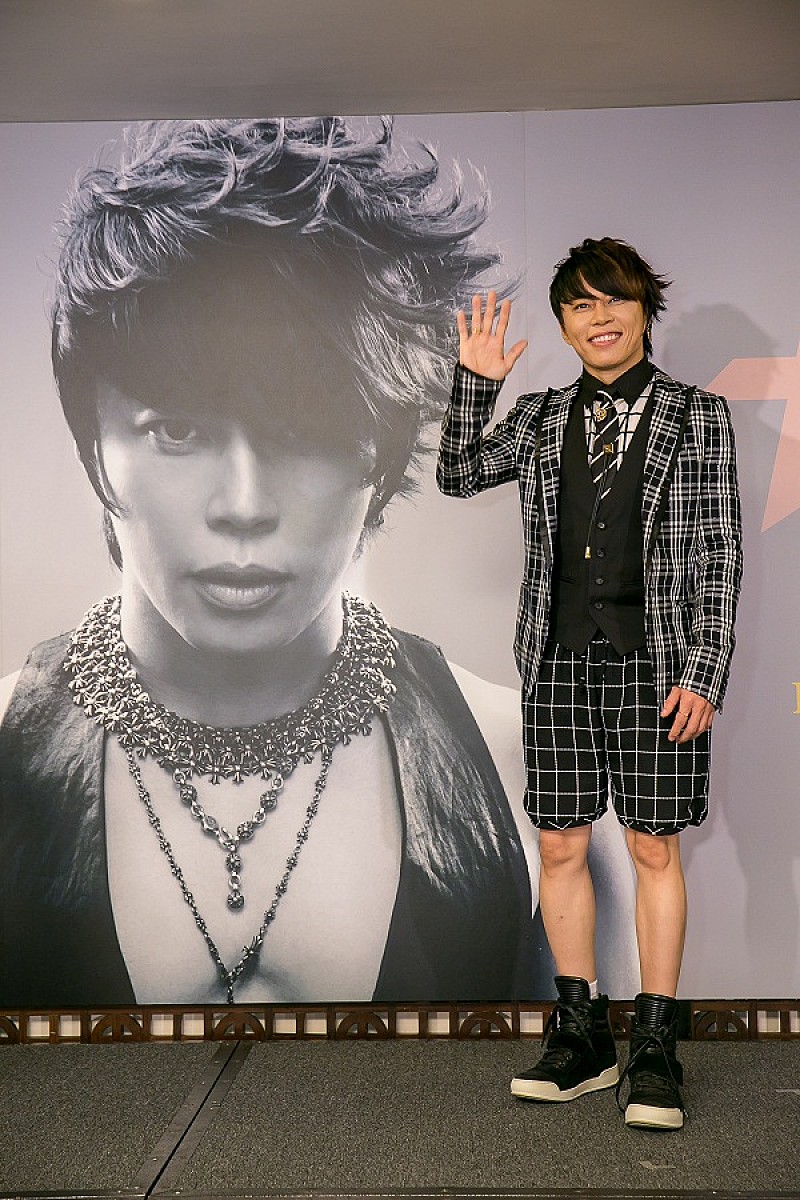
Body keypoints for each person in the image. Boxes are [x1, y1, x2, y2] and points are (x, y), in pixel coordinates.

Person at [0, 120, 639, 1011]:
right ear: (92, 446)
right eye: (176, 430)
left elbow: (605, 1085)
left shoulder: (521, 756)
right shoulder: (7, 747)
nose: (243, 505)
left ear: (384, 454)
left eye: (304, 434)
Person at [437, 237, 743, 1129]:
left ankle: (654, 1048)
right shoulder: (539, 417)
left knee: (653, 849)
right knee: (561, 847)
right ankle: (582, 1038)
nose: (599, 317)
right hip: (558, 663)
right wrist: (476, 384)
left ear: (644, 313)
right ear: (566, 326)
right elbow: (458, 473)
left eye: (615, 300)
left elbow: (721, 552)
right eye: (580, 304)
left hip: (660, 668)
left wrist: (706, 670)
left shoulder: (699, 416)